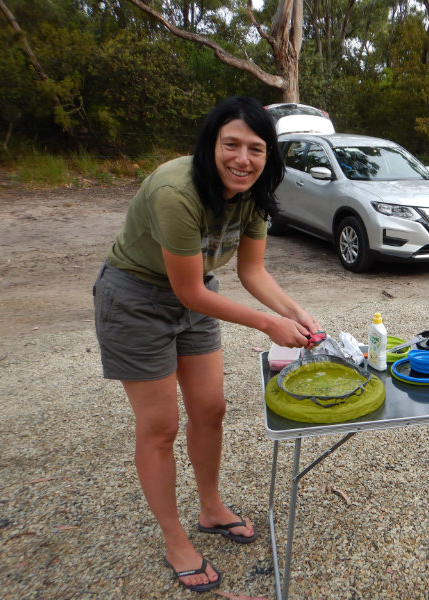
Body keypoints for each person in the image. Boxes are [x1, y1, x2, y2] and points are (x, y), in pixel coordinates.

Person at [93, 96, 320, 593]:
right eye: (231, 145)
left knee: (211, 409)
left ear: (268, 154)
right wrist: (268, 325)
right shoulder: (177, 191)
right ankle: (174, 539)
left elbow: (252, 271)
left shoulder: (256, 191)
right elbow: (189, 292)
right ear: (211, 145)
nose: (242, 159)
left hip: (195, 292)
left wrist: (294, 313)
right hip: (135, 298)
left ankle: (211, 508)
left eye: (255, 149)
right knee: (160, 427)